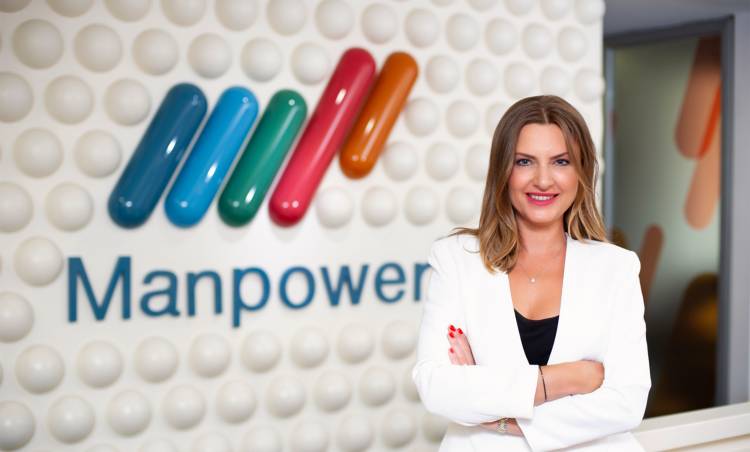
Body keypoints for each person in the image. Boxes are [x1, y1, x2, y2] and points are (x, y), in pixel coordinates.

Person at [412, 95, 651, 451]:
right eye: (524, 161)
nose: (542, 180)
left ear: (581, 171)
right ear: (502, 171)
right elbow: (435, 386)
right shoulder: (456, 259)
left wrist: (500, 416)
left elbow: (627, 403)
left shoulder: (616, 268)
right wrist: (561, 379)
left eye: (561, 162)